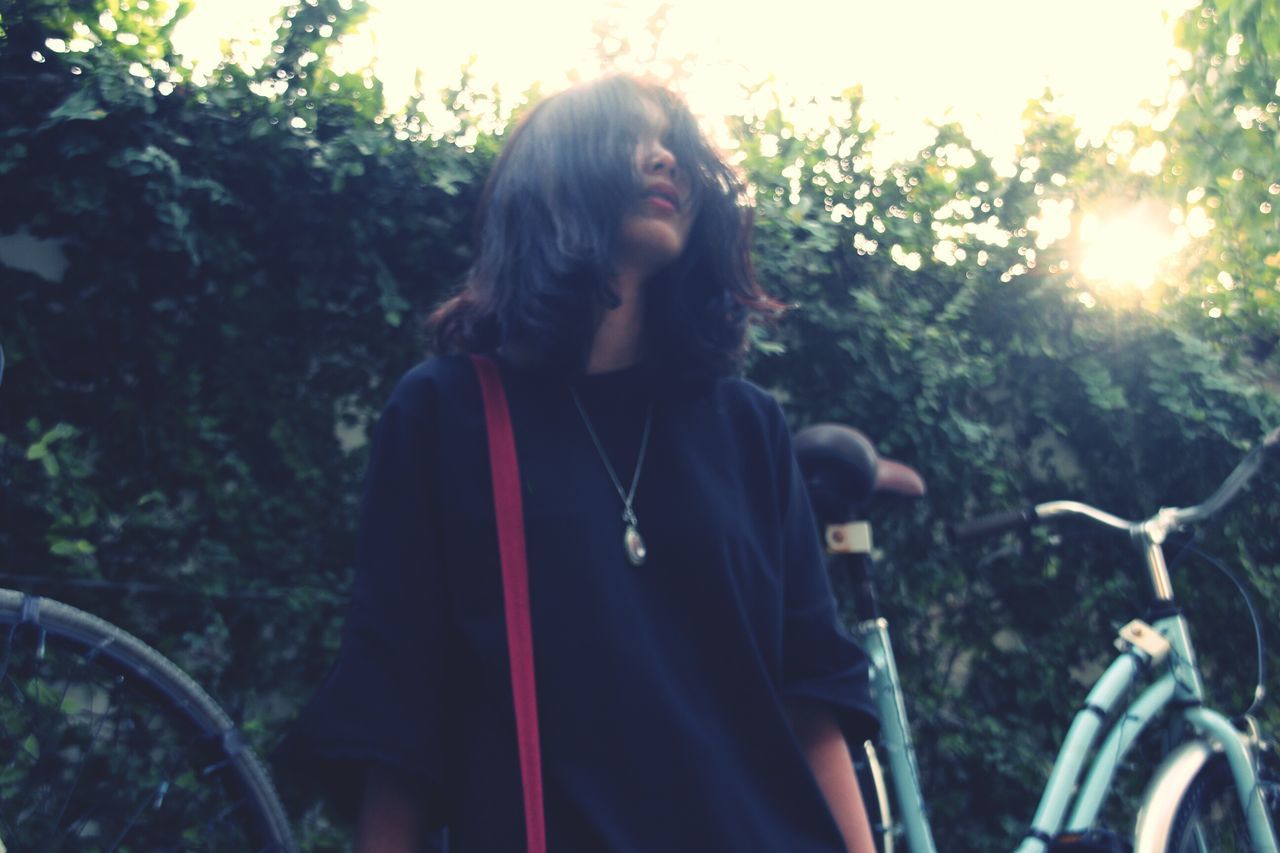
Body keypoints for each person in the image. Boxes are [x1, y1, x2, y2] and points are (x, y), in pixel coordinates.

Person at [280, 74, 879, 852]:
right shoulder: (446, 414)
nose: (666, 157)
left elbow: (810, 694)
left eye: (677, 146)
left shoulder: (746, 424)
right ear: (555, 173)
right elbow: (401, 706)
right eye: (633, 135)